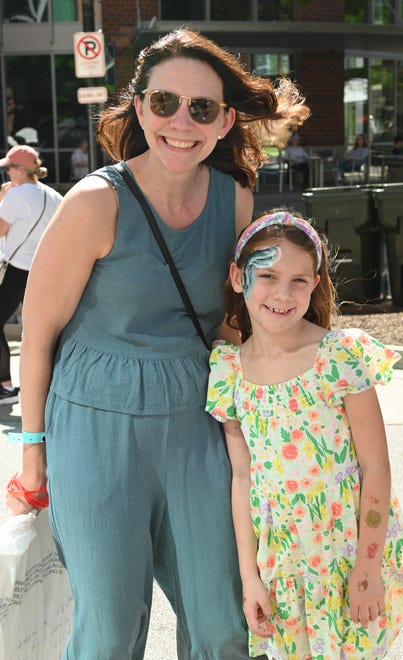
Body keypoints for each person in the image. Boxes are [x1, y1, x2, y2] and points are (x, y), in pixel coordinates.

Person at [6, 29, 309, 659]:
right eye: (164, 102)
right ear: (139, 107)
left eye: (201, 109)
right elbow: (36, 340)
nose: (180, 121)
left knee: (224, 625)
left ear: (225, 121)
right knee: (110, 632)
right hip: (93, 428)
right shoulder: (94, 202)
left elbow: (232, 327)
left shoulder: (235, 201)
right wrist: (33, 452)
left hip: (198, 424)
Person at [206, 210, 403, 659]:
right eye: (268, 275)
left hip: (348, 552)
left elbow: (376, 467)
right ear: (238, 277)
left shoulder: (340, 356)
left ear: (315, 284)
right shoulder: (229, 371)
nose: (282, 293)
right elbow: (242, 478)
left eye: (298, 280)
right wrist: (250, 577)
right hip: (282, 561)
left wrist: (367, 568)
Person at [0, 145, 62, 404]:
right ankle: (52, 389)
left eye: (9, 169)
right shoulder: (54, 195)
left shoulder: (16, 195)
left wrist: (2, 199)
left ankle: (5, 387)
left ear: (22, 170)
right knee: (42, 331)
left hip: (17, 270)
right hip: (45, 270)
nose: (7, 173)